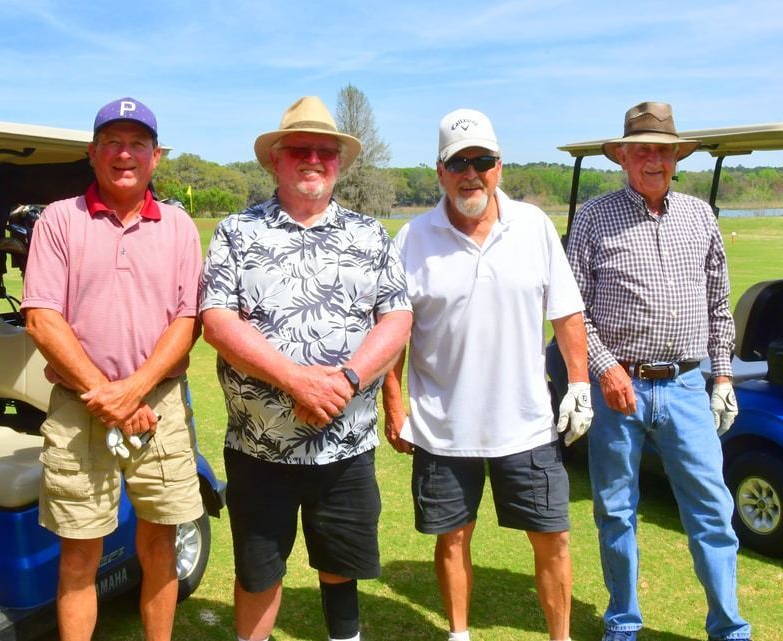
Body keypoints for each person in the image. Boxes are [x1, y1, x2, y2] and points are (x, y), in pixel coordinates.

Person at [199, 96, 412, 641]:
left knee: (341, 565)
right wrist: (295, 381)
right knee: (258, 571)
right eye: (299, 149)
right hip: (259, 448)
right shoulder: (236, 232)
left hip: (345, 447)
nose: (313, 159)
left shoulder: (369, 235)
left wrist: (342, 383)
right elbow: (218, 322)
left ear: (339, 162)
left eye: (326, 150)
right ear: (276, 159)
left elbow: (397, 318)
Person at [382, 108, 593, 641]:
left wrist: (580, 384)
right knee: (451, 538)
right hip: (442, 427)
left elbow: (566, 312)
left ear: (500, 166)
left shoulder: (535, 226)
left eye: (483, 160)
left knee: (554, 538)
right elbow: (393, 332)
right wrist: (394, 404)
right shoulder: (413, 237)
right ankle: (459, 633)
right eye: (459, 162)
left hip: (527, 423)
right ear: (439, 171)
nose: (470, 173)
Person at [565, 101, 752, 641]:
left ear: (676, 158)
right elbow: (573, 311)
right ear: (622, 156)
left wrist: (722, 377)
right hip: (618, 388)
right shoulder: (595, 217)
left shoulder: (701, 216)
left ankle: (728, 626)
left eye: (663, 151)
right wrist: (603, 369)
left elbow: (719, 305)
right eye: (642, 149)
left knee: (712, 513)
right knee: (616, 511)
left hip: (689, 386)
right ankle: (623, 621)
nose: (653, 160)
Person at [21, 97, 204, 641]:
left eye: (137, 144)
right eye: (113, 143)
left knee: (160, 545)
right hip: (82, 408)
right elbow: (41, 317)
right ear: (93, 153)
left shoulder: (178, 226)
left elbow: (187, 319)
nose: (125, 154)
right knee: (79, 553)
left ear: (156, 156)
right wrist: (108, 394)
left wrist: (137, 390)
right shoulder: (59, 219)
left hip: (160, 408)